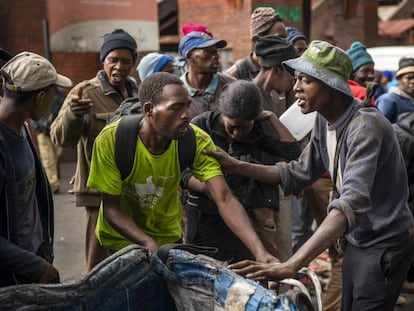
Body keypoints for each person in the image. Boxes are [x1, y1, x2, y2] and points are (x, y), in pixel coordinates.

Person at [205, 40, 414, 310]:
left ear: (330, 85)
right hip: (358, 239)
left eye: (305, 80)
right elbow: (299, 172)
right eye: (296, 79)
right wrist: (236, 166)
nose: (295, 88)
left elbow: (350, 203)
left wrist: (293, 264)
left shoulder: (365, 126)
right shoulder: (323, 120)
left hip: (382, 243)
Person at [86, 72, 276, 265]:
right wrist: (147, 243)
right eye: (176, 108)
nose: (186, 115)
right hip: (120, 241)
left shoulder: (196, 140)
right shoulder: (112, 140)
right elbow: (111, 208)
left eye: (187, 105)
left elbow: (224, 198)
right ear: (150, 109)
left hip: (167, 238)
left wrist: (260, 252)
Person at [183, 80, 300, 263]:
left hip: (240, 215)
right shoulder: (201, 127)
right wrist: (209, 188)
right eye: (232, 127)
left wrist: (272, 118)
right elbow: (182, 172)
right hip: (205, 215)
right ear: (222, 113)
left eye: (244, 128)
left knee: (242, 267)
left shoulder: (256, 132)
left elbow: (291, 151)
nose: (237, 134)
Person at [50, 28, 139, 271]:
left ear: (134, 63)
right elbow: (60, 138)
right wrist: (73, 116)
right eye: (113, 60)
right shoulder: (84, 92)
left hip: (131, 190)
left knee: (130, 257)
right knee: (97, 263)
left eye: (125, 61)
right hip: (97, 191)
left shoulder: (137, 92)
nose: (119, 67)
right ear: (103, 61)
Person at [0, 51, 72, 287]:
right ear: (40, 98)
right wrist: (33, 266)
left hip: (34, 258)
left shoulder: (21, 127)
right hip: (11, 277)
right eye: (53, 95)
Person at [178, 31, 235, 118]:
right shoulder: (177, 91)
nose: (216, 56)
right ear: (190, 57)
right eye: (209, 52)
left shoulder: (231, 86)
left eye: (216, 52)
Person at [226, 7, 287, 81]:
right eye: (279, 38)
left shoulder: (282, 70)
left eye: (285, 39)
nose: (284, 43)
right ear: (259, 38)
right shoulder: (236, 74)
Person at [31, 88, 65, 194]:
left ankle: (52, 177)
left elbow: (64, 111)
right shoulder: (38, 93)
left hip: (56, 129)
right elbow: (33, 110)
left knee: (57, 152)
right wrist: (37, 126)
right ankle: (53, 183)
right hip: (42, 129)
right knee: (47, 157)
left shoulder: (60, 94)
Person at [376, 57, 414, 123]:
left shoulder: (411, 99)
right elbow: (380, 127)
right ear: (399, 79)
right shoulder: (388, 100)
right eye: (409, 78)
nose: (413, 81)